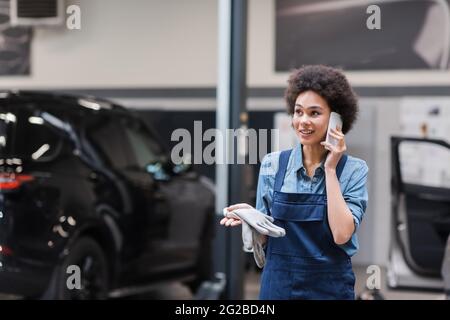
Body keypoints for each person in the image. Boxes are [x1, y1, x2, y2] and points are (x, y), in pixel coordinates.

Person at [220, 65, 369, 300]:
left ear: (336, 120)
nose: (303, 121)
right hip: (279, 288)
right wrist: (252, 220)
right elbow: (265, 240)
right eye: (298, 112)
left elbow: (342, 234)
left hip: (330, 290)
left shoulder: (353, 170)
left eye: (314, 113)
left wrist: (330, 169)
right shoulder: (272, 165)